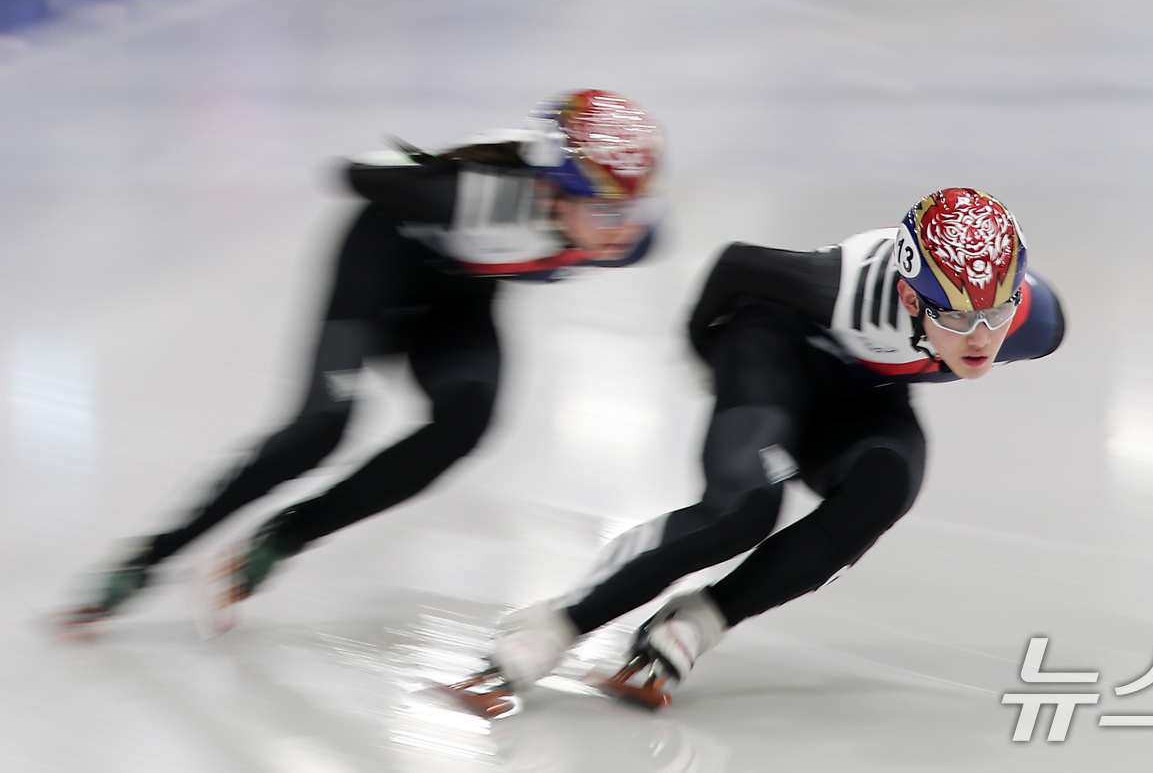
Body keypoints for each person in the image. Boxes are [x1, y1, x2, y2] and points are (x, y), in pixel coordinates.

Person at [56, 89, 666, 635]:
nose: (621, 230)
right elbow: (355, 173)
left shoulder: (630, 239)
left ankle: (285, 536)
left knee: (465, 419)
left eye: (632, 208)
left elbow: (621, 227)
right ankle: (150, 557)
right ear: (551, 189)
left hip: (455, 301)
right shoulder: (477, 196)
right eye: (605, 210)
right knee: (321, 430)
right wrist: (434, 176)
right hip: (376, 274)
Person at [451, 187, 1066, 710]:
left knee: (887, 483)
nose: (980, 338)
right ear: (909, 298)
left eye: (996, 313)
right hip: (770, 354)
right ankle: (554, 623)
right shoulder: (842, 287)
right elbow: (737, 264)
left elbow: (1001, 319)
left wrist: (978, 316)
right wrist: (709, 354)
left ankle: (700, 619)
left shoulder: (1030, 324)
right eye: (956, 318)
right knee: (745, 511)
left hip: (858, 393)